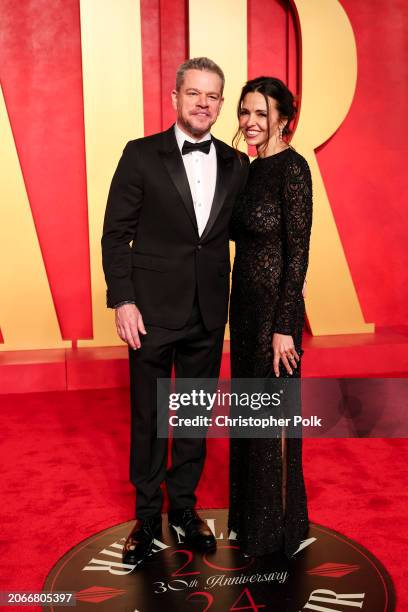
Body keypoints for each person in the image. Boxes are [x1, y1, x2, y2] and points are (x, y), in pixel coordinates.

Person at [101, 57, 249, 568]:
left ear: (221, 104)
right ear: (175, 98)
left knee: (191, 415)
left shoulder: (236, 163)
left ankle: (184, 510)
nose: (203, 103)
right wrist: (123, 299)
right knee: (150, 418)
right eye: (194, 94)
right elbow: (115, 233)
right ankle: (146, 516)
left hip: (208, 312)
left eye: (212, 96)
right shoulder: (141, 155)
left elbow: (245, 235)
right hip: (150, 311)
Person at [228, 76, 312, 558]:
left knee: (272, 414)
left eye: (261, 113)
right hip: (244, 308)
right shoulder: (247, 169)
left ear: (283, 118)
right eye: (245, 112)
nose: (251, 122)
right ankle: (246, 519)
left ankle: (277, 527)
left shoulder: (292, 170)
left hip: (275, 315)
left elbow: (298, 253)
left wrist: (285, 326)